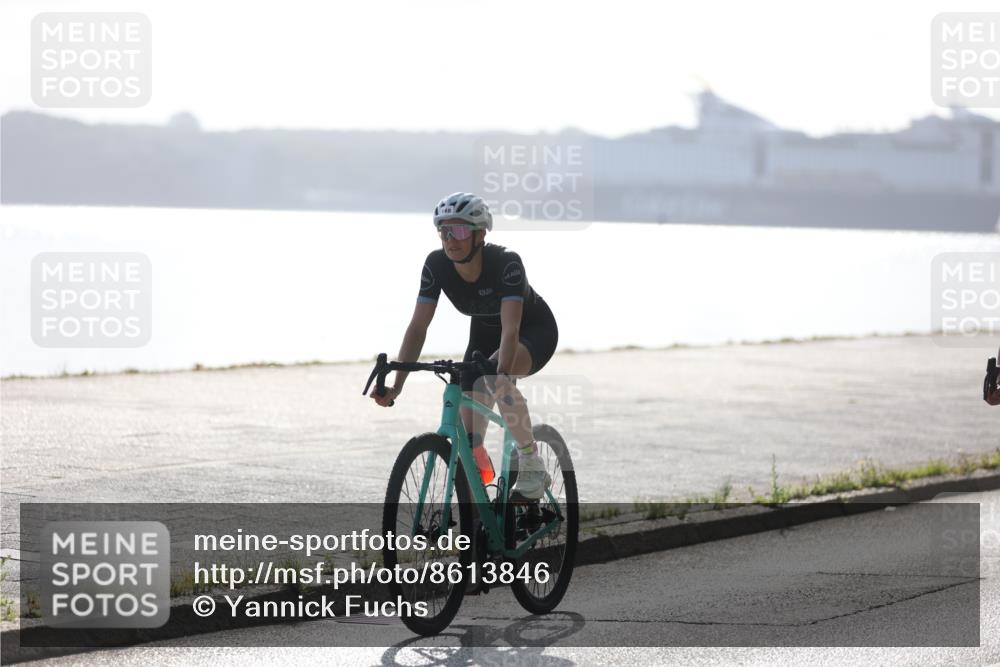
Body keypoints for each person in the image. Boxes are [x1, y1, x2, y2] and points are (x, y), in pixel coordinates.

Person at [371, 192, 559, 500]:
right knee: (471, 439)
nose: (450, 239)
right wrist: (397, 384)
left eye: (458, 230)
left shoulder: (507, 263)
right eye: (444, 231)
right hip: (484, 333)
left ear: (480, 233)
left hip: (532, 330)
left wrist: (500, 374)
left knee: (496, 379)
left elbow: (510, 329)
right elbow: (418, 327)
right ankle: (482, 506)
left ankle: (531, 461)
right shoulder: (436, 264)